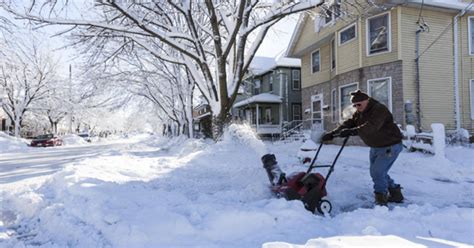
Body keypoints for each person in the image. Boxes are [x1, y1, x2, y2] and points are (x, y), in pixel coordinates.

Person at [321, 90, 404, 206]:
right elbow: (350, 123)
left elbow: (371, 127)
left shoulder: (379, 109)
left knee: (377, 172)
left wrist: (351, 132)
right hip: (376, 146)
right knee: (378, 172)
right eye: (354, 105)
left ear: (367, 100)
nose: (356, 107)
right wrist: (333, 133)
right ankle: (396, 193)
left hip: (389, 146)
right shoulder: (360, 112)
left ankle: (381, 199)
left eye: (359, 104)